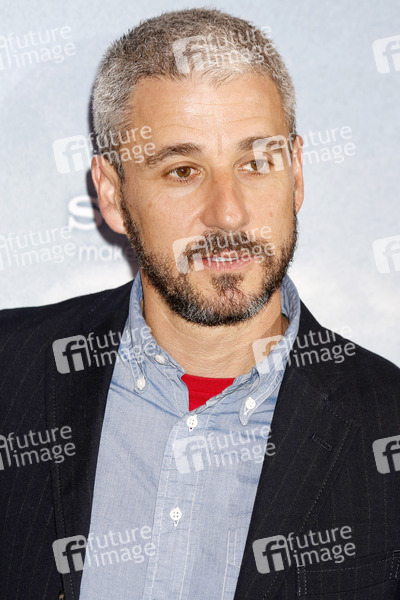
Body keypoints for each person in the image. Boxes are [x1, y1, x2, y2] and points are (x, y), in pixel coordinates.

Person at [1, 8, 399, 600]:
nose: (229, 214)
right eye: (183, 170)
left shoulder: (388, 425)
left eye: (256, 163)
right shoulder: (11, 372)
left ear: (296, 174)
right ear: (111, 194)